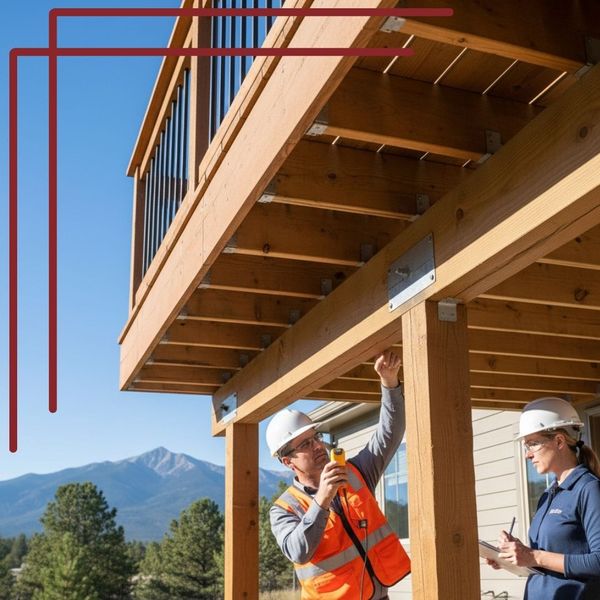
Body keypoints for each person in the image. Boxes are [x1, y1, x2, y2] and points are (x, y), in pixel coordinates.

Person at [266, 349, 410, 600]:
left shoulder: (356, 472)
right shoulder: (283, 509)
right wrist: (322, 498)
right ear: (288, 462)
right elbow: (297, 551)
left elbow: (390, 434)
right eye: (306, 444)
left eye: (316, 438)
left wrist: (389, 382)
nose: (318, 446)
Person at [489, 396, 600, 599]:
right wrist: (515, 556)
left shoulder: (589, 489)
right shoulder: (548, 495)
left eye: (532, 444)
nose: (527, 455)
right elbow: (545, 565)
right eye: (526, 446)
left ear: (559, 441)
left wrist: (534, 556)